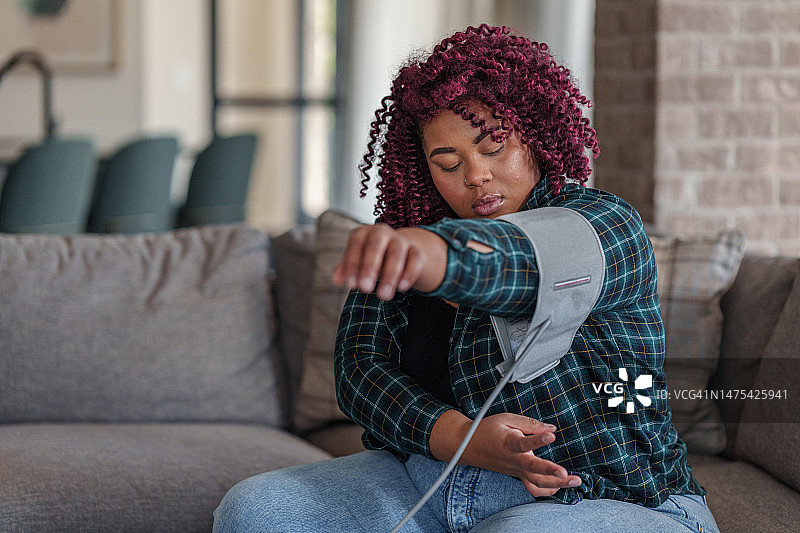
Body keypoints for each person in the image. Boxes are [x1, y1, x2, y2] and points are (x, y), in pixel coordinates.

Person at [213, 24, 718, 533]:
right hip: (433, 481)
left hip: (608, 498)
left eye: (494, 147)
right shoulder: (406, 240)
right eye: (449, 163)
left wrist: (433, 256)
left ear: (536, 134)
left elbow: (515, 264)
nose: (475, 174)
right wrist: (460, 438)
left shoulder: (604, 225)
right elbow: (360, 370)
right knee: (256, 509)